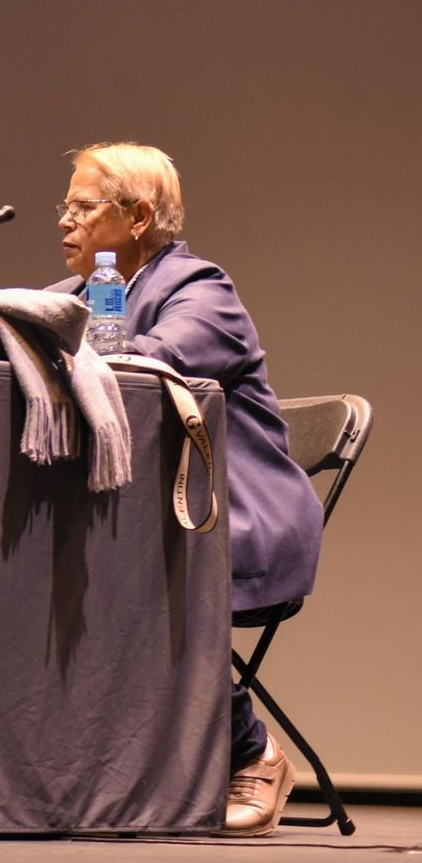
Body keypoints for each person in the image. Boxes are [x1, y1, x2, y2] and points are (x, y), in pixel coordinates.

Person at [49, 142, 323, 837]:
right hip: (146, 513)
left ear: (138, 217)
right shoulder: (72, 297)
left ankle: (256, 752)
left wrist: (77, 351)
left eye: (83, 207)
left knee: (121, 568)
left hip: (234, 514)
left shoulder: (203, 291)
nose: (65, 222)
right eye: (66, 207)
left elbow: (157, 357)